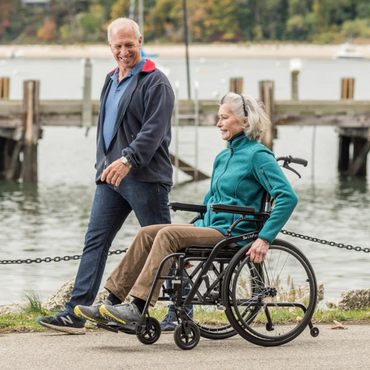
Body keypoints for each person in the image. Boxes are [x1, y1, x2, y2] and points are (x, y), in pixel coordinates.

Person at [73, 92, 298, 327]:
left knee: (168, 234)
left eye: (224, 118)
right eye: (218, 118)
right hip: (214, 228)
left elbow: (287, 197)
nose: (218, 123)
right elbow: (209, 204)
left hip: (235, 233)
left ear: (244, 121)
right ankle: (111, 301)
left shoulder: (258, 155)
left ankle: (137, 307)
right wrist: (191, 233)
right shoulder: (223, 157)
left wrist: (264, 238)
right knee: (146, 232)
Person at [37, 17, 175, 334]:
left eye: (129, 44)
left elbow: (153, 133)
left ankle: (183, 312)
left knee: (165, 245)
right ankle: (75, 314)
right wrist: (103, 166)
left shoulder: (157, 82)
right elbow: (107, 130)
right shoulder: (110, 79)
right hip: (110, 178)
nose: (124, 51)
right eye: (118, 46)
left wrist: (128, 159)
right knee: (94, 243)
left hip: (145, 178)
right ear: (109, 46)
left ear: (140, 41)